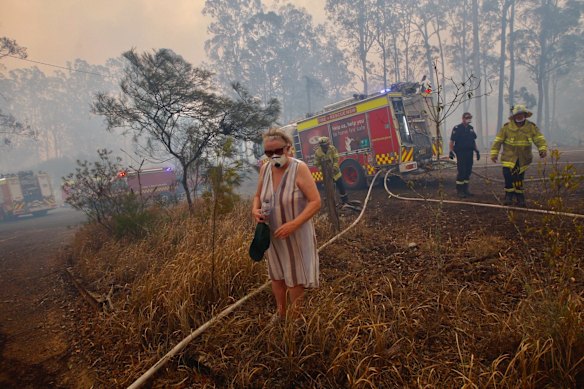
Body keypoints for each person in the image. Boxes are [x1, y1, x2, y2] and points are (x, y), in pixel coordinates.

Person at [252, 128, 321, 321]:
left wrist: (294, 224)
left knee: (294, 276)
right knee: (277, 275)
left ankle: (296, 318)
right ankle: (281, 313)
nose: (273, 156)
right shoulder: (265, 169)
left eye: (278, 151)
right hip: (272, 234)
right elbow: (257, 196)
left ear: (289, 149)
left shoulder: (299, 168)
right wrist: (255, 211)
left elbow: (315, 202)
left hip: (295, 234)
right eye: (268, 153)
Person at [490, 104, 547, 207]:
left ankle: (520, 198)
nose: (520, 116)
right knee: (508, 177)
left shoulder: (531, 127)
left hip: (523, 159)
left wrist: (542, 149)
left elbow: (539, 139)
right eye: (517, 115)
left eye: (521, 114)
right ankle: (508, 197)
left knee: (518, 179)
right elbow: (498, 141)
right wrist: (494, 153)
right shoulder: (507, 128)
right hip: (508, 158)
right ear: (514, 116)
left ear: (525, 115)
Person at [449, 112, 480, 198]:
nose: (468, 119)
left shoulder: (471, 128)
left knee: (468, 171)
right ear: (463, 118)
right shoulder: (457, 128)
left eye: (470, 117)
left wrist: (477, 150)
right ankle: (460, 190)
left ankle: (466, 190)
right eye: (467, 117)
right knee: (462, 171)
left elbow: (473, 141)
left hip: (469, 152)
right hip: (461, 153)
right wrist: (451, 151)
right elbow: (452, 141)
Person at [314, 136, 350, 204]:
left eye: (327, 144)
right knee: (329, 190)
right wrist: (323, 170)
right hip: (327, 175)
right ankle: (332, 204)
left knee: (341, 187)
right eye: (324, 145)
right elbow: (316, 163)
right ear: (321, 146)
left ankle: (345, 201)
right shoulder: (317, 152)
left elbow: (336, 158)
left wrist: (334, 168)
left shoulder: (332, 148)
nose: (326, 146)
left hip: (336, 173)